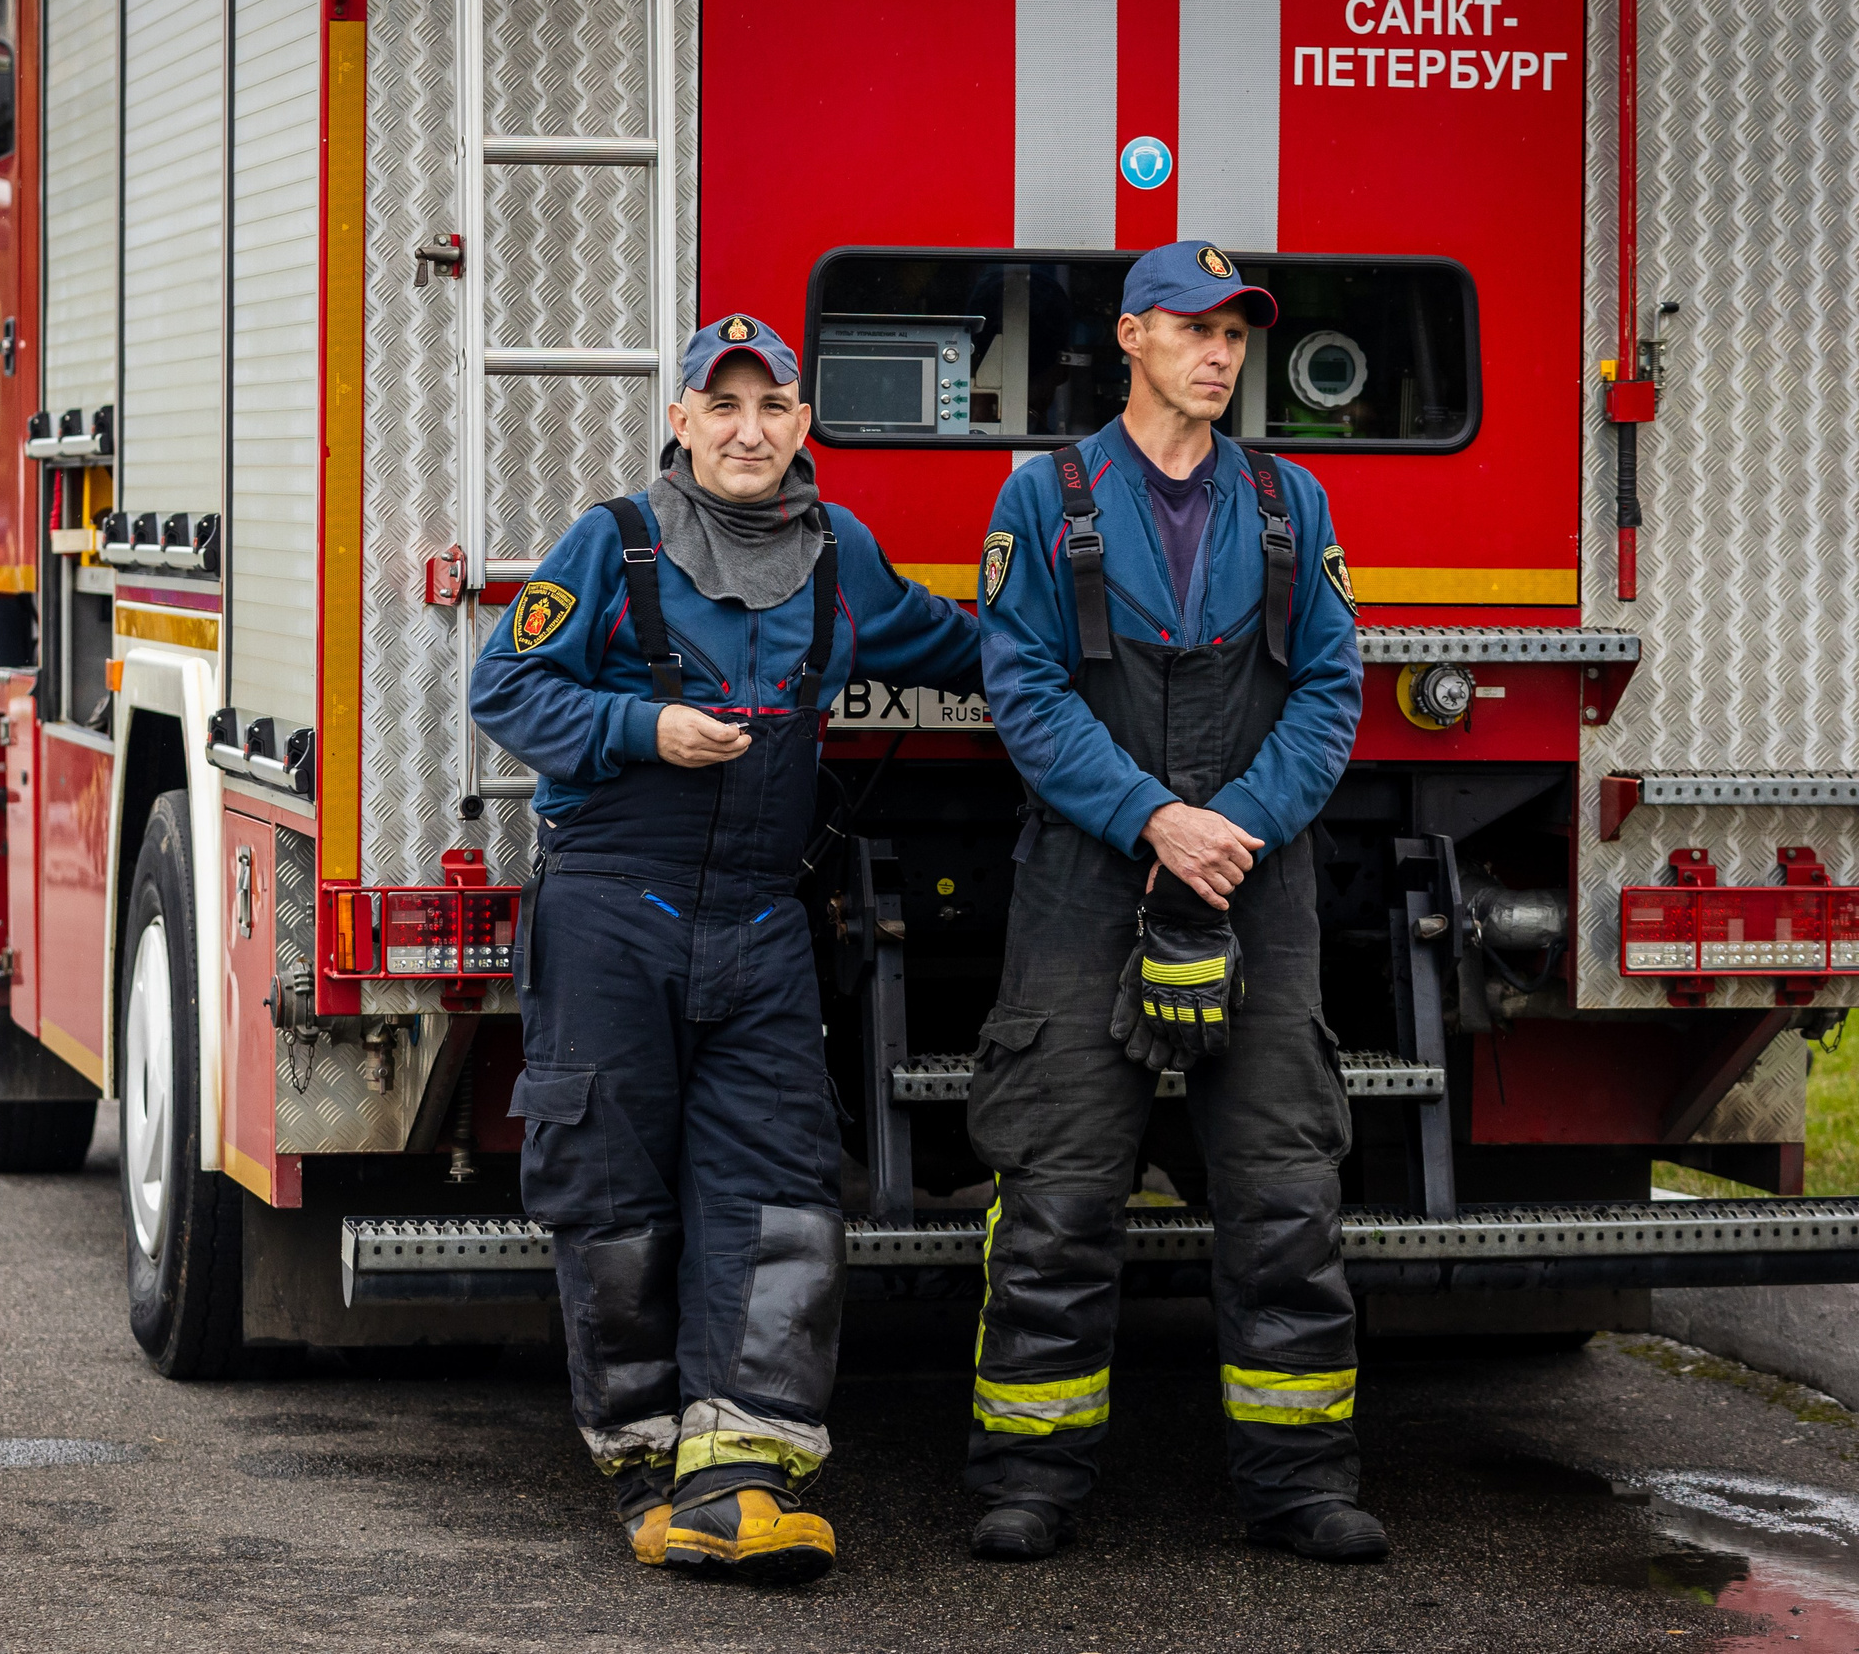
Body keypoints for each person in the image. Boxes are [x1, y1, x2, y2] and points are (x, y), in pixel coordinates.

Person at [471, 313, 983, 1582]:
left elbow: (962, 646)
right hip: (611, 908)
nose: (749, 432)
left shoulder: (838, 554)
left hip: (761, 918)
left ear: (803, 426)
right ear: (683, 424)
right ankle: (647, 1459)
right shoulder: (611, 542)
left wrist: (1087, 645)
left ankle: (743, 1467)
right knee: (611, 1192)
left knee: (780, 1185)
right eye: (724, 406)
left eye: (773, 408)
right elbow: (505, 689)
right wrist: (647, 728)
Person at [963, 240, 1374, 1563]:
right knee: (1061, 1196)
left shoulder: (1290, 502)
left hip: (1256, 876)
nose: (1222, 351)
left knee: (1285, 1195)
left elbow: (1329, 688)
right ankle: (1027, 1477)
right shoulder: (1044, 499)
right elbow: (1019, 687)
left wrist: (1230, 826)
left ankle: (1302, 1481)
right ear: (1131, 336)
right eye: (1195, 328)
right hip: (1091, 880)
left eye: (1238, 334)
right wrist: (1151, 816)